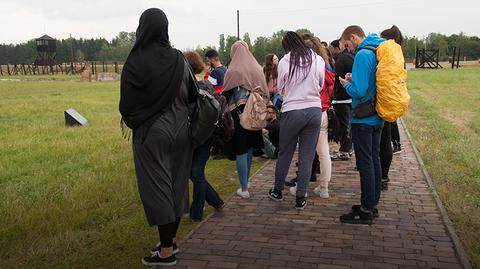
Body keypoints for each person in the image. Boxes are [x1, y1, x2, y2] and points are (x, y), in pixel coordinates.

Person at [119, 8, 194, 266]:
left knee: (158, 188)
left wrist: (138, 122)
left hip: (151, 133)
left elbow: (126, 105)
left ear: (142, 27)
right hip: (182, 130)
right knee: (176, 185)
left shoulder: (135, 60)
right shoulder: (179, 58)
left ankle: (165, 253)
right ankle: (169, 241)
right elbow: (192, 94)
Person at [267, 31, 324, 210]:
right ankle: (301, 196)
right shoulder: (317, 59)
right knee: (307, 156)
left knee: (286, 153)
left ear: (287, 46)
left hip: (292, 111)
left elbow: (281, 88)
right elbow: (321, 84)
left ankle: (277, 190)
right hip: (314, 109)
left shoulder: (285, 61)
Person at [338, 25, 385, 224]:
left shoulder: (362, 54)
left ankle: (366, 210)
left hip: (363, 117)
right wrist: (354, 79)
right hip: (377, 115)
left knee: (365, 163)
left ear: (354, 37)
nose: (348, 49)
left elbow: (358, 90)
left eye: (347, 44)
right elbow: (369, 83)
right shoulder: (376, 50)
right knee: (374, 159)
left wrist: (346, 83)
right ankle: (372, 203)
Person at [222, 41, 267, 199]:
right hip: (255, 115)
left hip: (238, 117)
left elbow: (225, 96)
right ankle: (246, 182)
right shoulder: (257, 68)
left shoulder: (232, 71)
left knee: (241, 150)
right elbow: (265, 92)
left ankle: (244, 188)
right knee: (249, 149)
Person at [183, 51, 225, 221]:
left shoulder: (186, 86)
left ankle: (196, 214)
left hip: (193, 135)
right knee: (195, 172)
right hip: (207, 133)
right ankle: (216, 201)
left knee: (195, 173)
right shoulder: (206, 84)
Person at [378, 25, 404, 190]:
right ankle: (384, 177)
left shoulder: (385, 50)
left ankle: (380, 177)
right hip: (395, 100)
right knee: (386, 140)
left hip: (383, 101)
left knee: (381, 141)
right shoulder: (398, 53)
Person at [331, 39, 355, 161]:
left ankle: (345, 149)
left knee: (343, 125)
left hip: (341, 96)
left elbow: (337, 77)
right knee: (348, 124)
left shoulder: (342, 58)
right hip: (350, 95)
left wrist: (333, 93)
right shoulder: (352, 56)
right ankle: (348, 148)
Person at [205, 49, 228, 160]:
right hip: (226, 102)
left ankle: (219, 150)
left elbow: (208, 88)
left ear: (211, 59)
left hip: (217, 102)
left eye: (208, 60)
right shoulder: (226, 69)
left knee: (217, 127)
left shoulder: (214, 73)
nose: (208, 63)